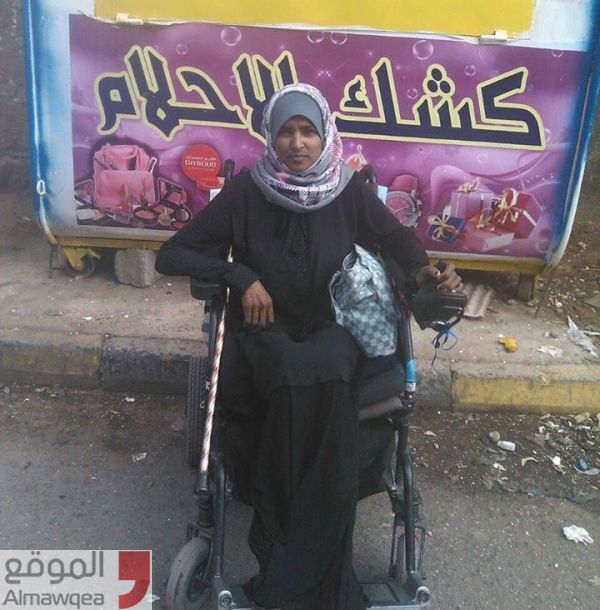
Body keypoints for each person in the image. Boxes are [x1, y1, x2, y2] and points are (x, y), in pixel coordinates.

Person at [156, 83, 462, 610]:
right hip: (265, 332)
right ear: (270, 137)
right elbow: (173, 253)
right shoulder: (247, 192)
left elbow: (395, 240)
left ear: (324, 136)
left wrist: (424, 272)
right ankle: (284, 548)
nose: (297, 143)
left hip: (332, 326)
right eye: (286, 132)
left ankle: (316, 558)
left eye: (307, 132)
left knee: (331, 368)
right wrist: (240, 277)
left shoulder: (347, 189)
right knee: (288, 371)